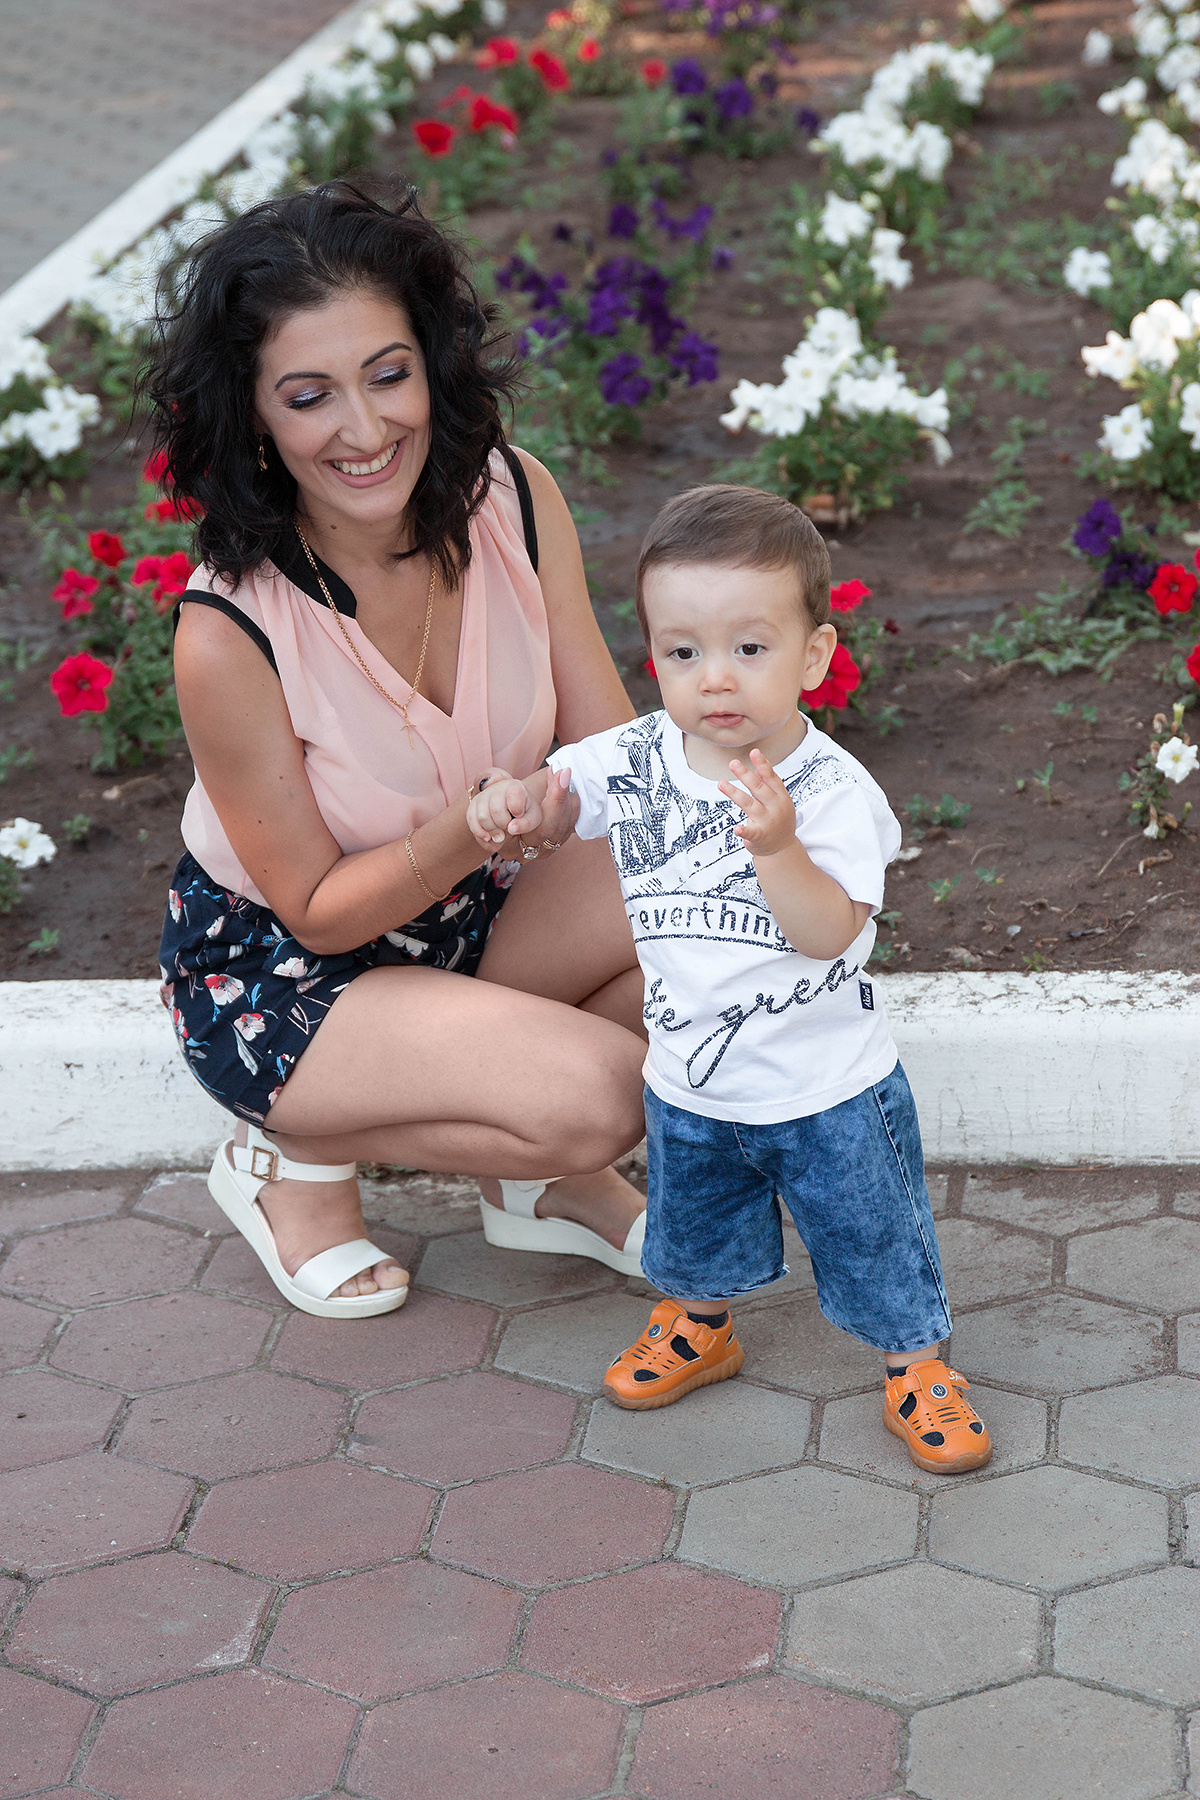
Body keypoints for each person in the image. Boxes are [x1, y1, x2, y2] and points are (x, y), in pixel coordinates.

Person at [151, 182, 647, 1319]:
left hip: (475, 908)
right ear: (253, 417)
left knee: (720, 896)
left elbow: (617, 755)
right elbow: (319, 908)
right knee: (602, 1094)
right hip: (293, 973)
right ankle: (289, 1157)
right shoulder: (228, 627)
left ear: (434, 362)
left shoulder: (515, 499)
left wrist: (572, 805)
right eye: (309, 396)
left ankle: (531, 1185)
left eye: (388, 374)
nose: (367, 431)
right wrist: (466, 829)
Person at [467, 484, 991, 1474]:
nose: (715, 679)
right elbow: (560, 792)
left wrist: (779, 849)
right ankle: (700, 1323)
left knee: (874, 1237)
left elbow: (831, 933)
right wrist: (513, 798)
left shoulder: (833, 793)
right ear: (654, 655)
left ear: (814, 656)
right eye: (682, 651)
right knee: (693, 1223)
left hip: (830, 1090)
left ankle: (917, 1363)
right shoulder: (640, 756)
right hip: (692, 1080)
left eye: (749, 649)